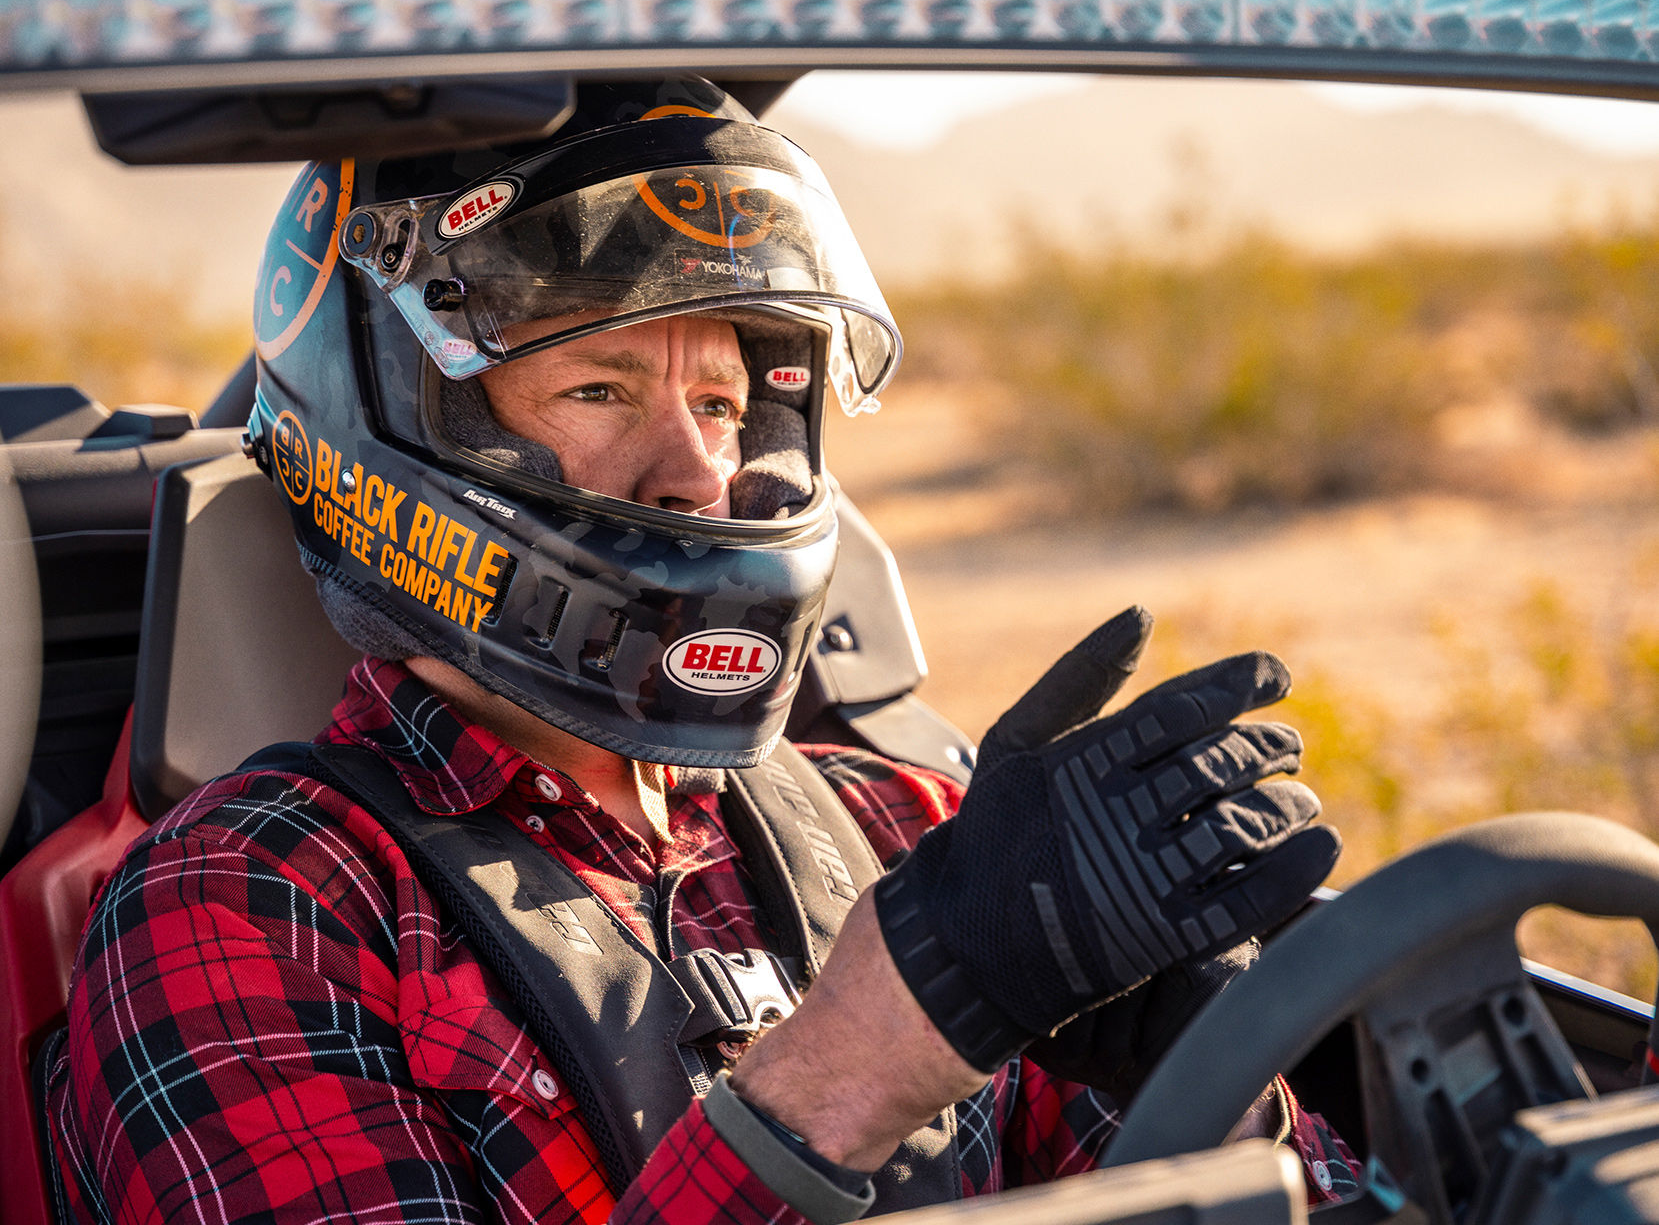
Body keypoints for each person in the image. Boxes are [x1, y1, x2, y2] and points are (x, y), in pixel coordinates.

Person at [45, 78, 1352, 1224]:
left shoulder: (909, 825)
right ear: (402, 424)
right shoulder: (254, 896)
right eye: (600, 391)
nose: (698, 478)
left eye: (725, 406)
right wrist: (865, 1055)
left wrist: (1239, 1083)